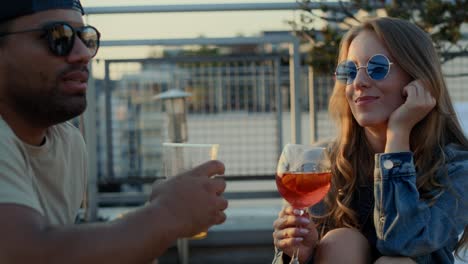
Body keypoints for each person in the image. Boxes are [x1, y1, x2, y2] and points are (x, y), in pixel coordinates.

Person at [0, 1, 228, 263]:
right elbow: (23, 254)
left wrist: (150, 220)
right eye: (58, 36)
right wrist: (166, 215)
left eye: (86, 38)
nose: (83, 54)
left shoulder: (68, 143)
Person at [272, 16, 468, 264]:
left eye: (377, 67)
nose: (359, 82)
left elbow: (403, 242)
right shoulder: (325, 162)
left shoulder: (457, 167)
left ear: (417, 78)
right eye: (349, 71)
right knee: (341, 241)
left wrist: (398, 134)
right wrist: (302, 254)